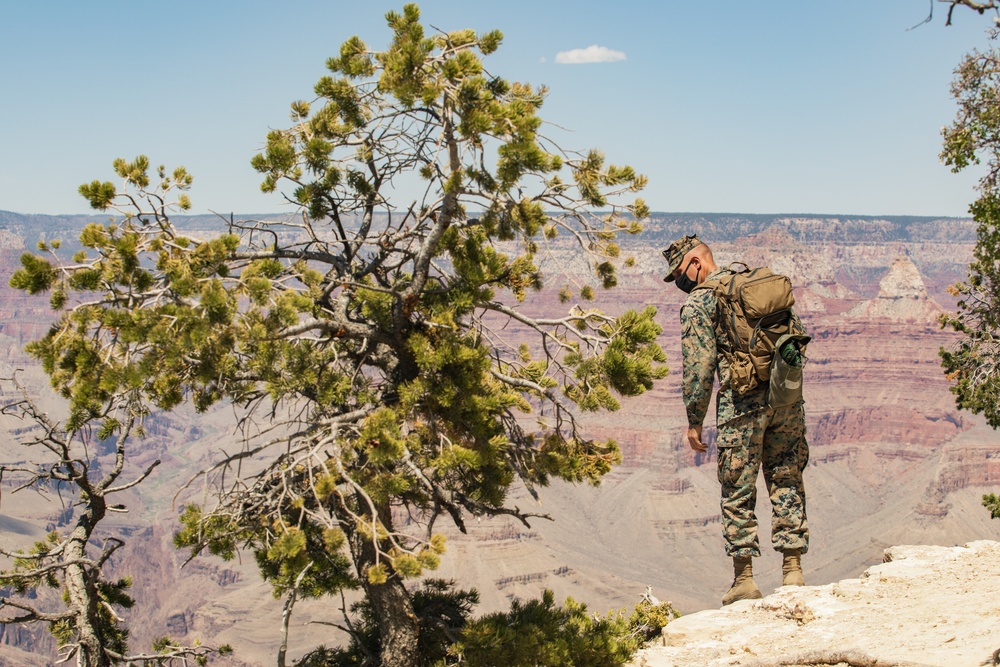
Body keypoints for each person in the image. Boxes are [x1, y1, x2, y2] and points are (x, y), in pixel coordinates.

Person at [662, 234, 809, 605]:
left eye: (680, 275)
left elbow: (698, 365)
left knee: (737, 487)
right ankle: (793, 570)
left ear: (696, 262)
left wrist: (694, 419)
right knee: (786, 474)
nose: (681, 284)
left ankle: (744, 579)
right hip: (784, 397)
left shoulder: (701, 300)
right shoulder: (754, 282)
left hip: (741, 403)